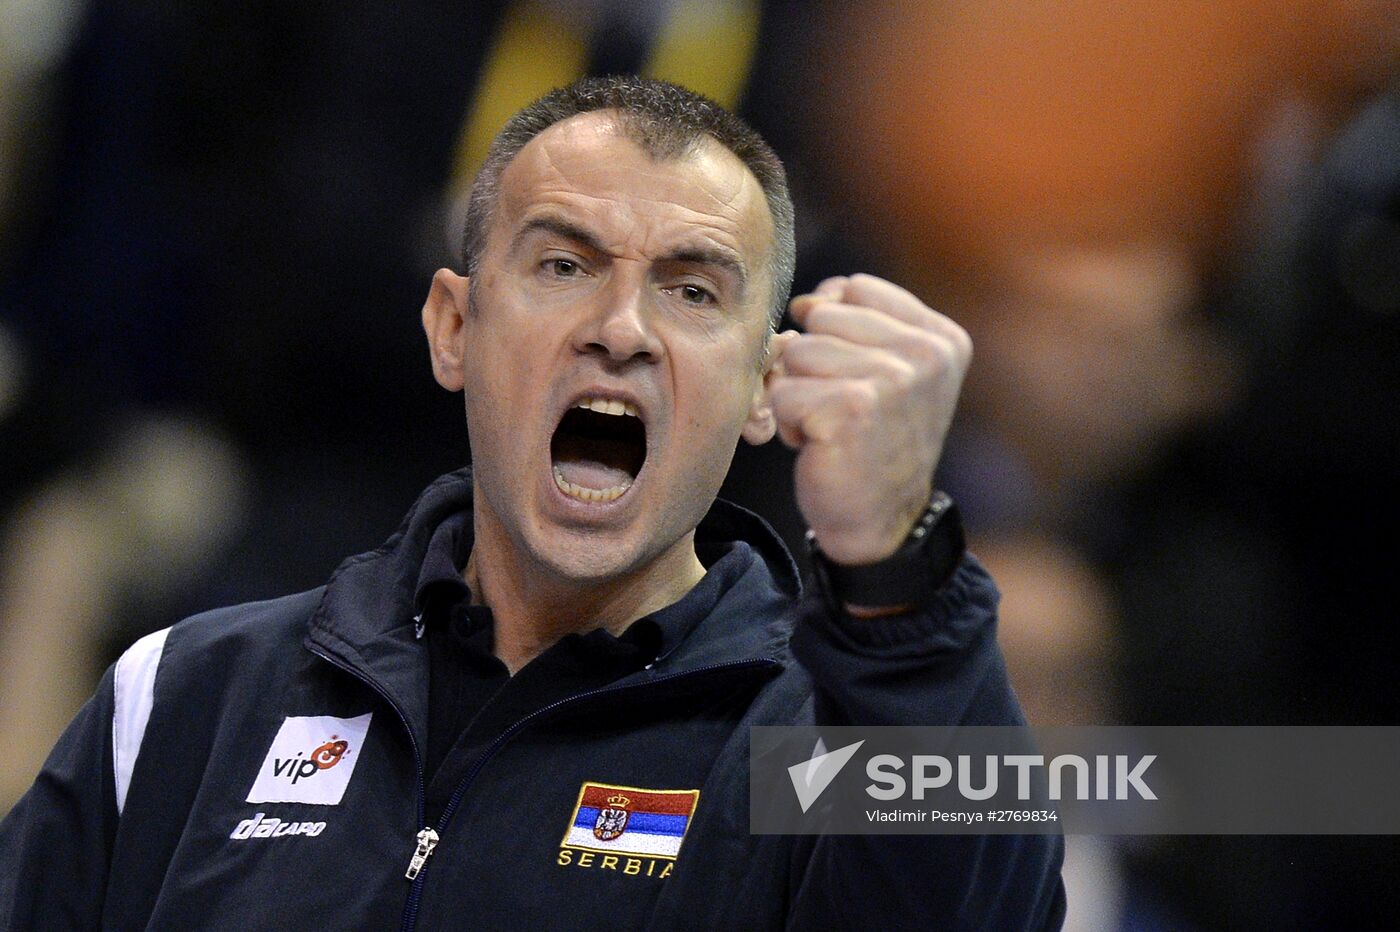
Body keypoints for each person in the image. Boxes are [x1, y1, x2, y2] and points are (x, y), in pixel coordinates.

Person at [0, 77, 1065, 929]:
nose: (621, 327)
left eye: (692, 289)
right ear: (454, 329)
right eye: (563, 264)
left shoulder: (806, 749)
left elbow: (981, 906)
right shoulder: (187, 695)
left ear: (762, 387)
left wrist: (899, 566)